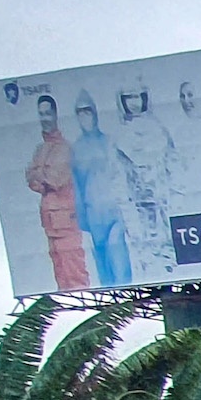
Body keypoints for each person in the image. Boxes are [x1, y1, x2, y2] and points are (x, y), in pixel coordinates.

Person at [112, 84, 179, 273]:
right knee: (142, 243)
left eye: (137, 97)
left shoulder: (159, 130)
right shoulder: (119, 136)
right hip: (137, 201)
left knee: (166, 240)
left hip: (161, 197)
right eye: (129, 97)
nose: (134, 102)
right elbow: (117, 175)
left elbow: (173, 164)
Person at [23, 93, 88, 290]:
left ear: (56, 115)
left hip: (66, 222)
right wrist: (40, 176)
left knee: (74, 272)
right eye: (41, 114)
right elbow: (31, 179)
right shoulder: (40, 149)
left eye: (48, 113)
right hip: (49, 222)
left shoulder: (66, 148)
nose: (44, 118)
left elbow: (55, 180)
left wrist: (40, 175)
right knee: (59, 271)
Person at [69, 95, 131, 286]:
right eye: (80, 113)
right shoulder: (76, 149)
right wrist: (82, 217)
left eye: (88, 111)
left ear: (95, 113)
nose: (85, 117)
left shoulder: (109, 141)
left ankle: (130, 302)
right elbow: (76, 186)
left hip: (114, 210)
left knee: (119, 258)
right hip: (93, 214)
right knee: (103, 266)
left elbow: (124, 174)